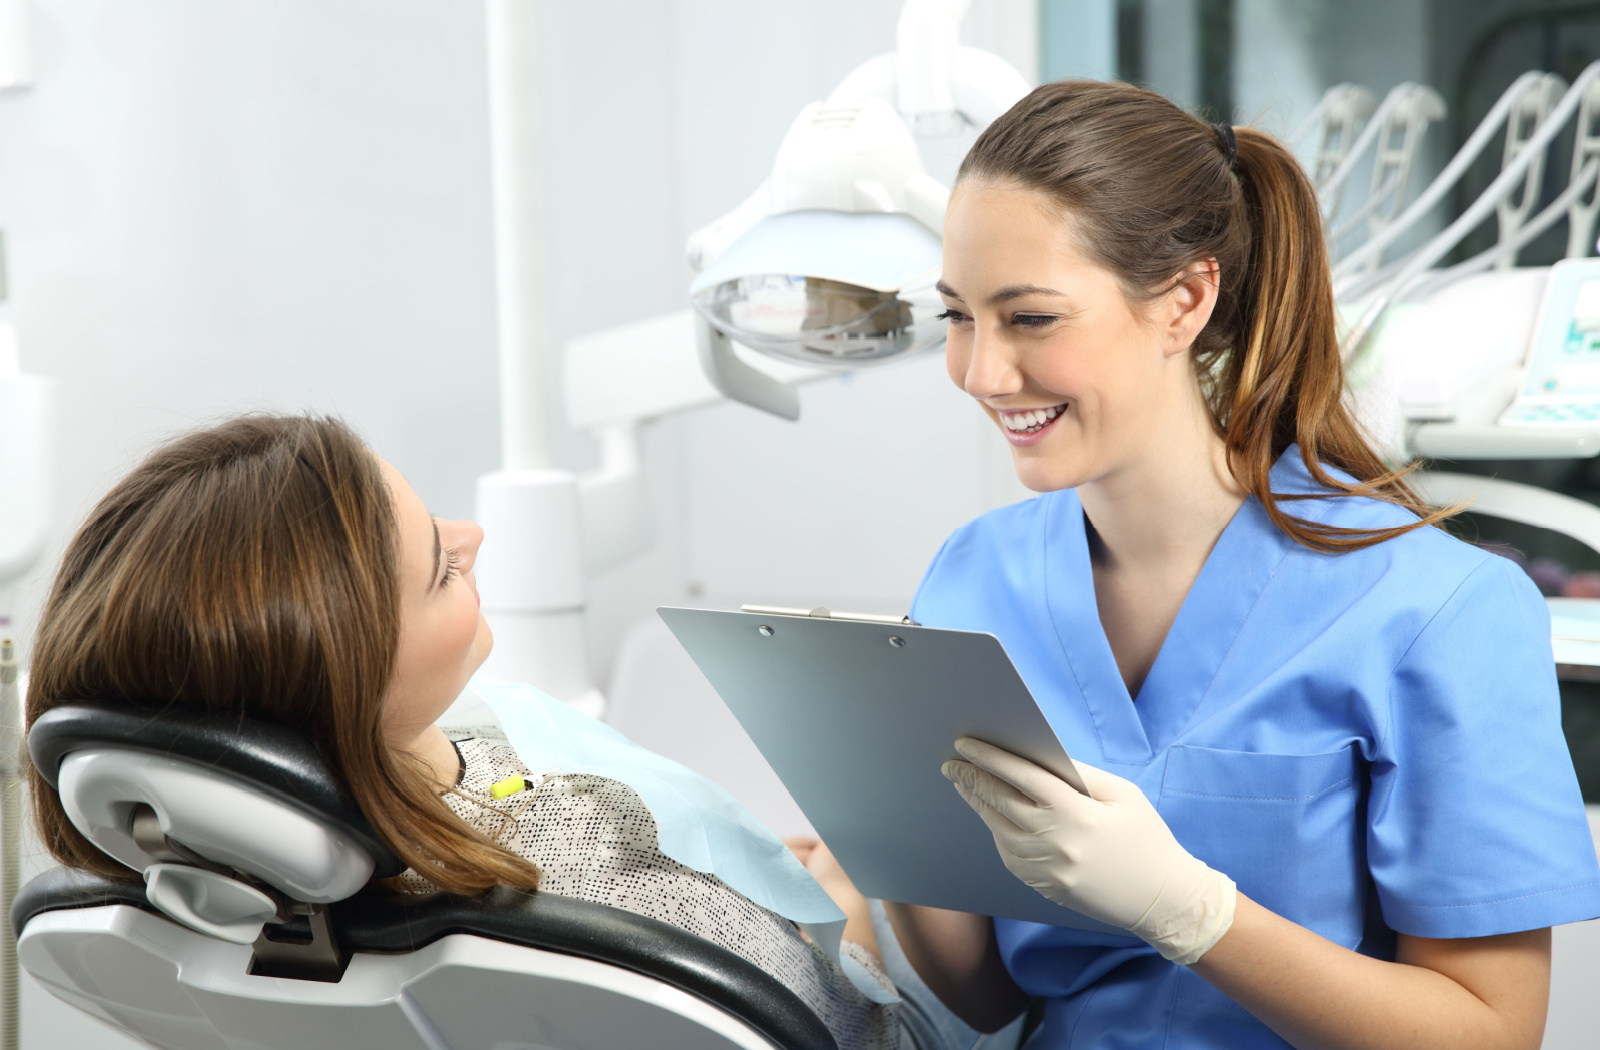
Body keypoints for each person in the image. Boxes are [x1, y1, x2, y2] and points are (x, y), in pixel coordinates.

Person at [882, 79, 1600, 1050]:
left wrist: (1191, 913)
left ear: (1184, 299)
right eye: (956, 317)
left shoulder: (1433, 608)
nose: (979, 372)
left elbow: (1490, 1034)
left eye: (1031, 318)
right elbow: (989, 1000)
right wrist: (887, 843)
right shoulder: (973, 580)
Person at [24, 414, 904, 1050]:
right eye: (442, 570)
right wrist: (854, 892)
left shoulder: (214, 902)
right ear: (357, 684)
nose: (473, 536)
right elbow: (849, 1020)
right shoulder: (606, 890)